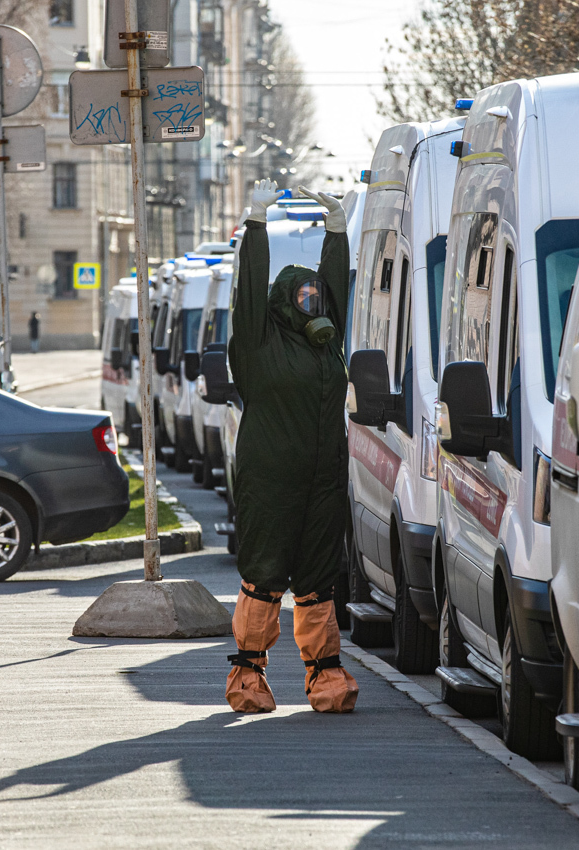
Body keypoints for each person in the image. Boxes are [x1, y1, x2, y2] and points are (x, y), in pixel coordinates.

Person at [224, 179, 358, 714]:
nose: (311, 303)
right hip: (271, 481)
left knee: (318, 580)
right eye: (301, 298)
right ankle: (248, 680)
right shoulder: (258, 345)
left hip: (322, 482)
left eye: (315, 297)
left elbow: (337, 286)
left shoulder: (328, 345)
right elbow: (252, 286)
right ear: (282, 304)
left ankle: (325, 679)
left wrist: (338, 229)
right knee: (264, 575)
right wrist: (257, 223)